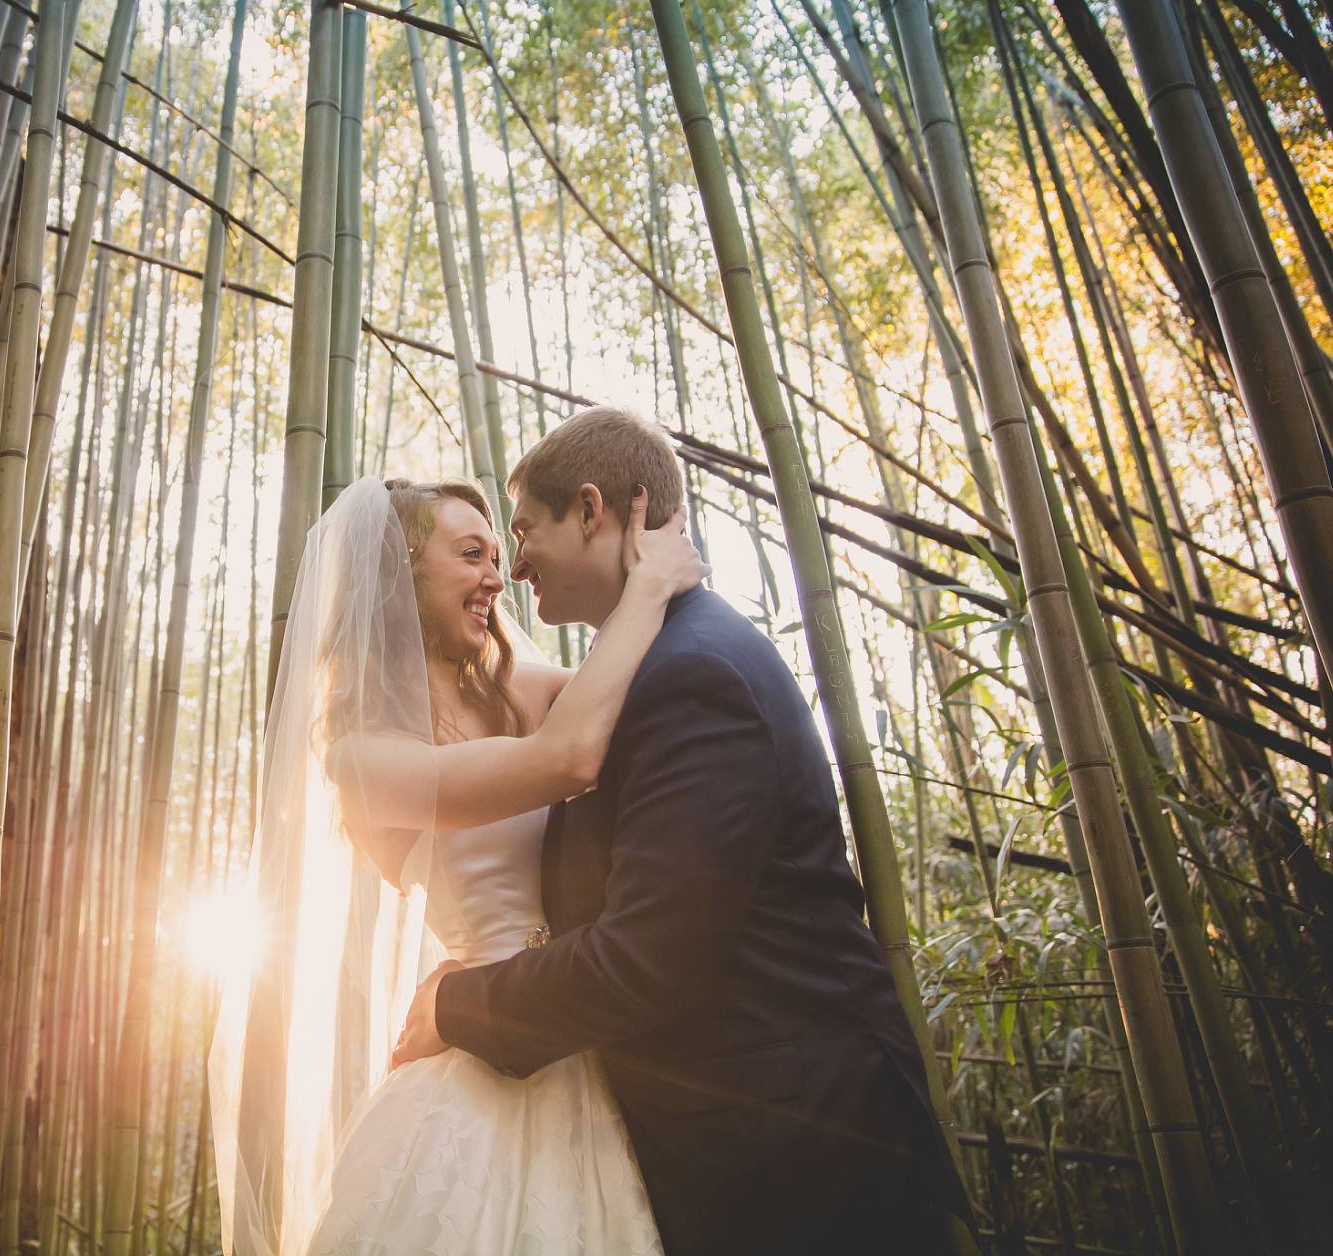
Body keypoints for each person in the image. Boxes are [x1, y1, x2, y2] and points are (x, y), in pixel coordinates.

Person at [391, 408, 968, 1254]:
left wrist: (457, 1003)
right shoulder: (638, 669)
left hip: (799, 1154)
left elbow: (644, 959)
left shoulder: (692, 674)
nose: (513, 567)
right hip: (731, 1138)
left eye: (523, 532)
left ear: (591, 511)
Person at [209, 463, 705, 1255]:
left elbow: (625, 698)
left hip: (583, 1018)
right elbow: (569, 757)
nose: (496, 579)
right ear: (401, 571)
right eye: (471, 555)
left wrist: (642, 569)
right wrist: (644, 596)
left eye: (497, 559)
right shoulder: (362, 756)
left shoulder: (515, 689)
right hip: (483, 1049)